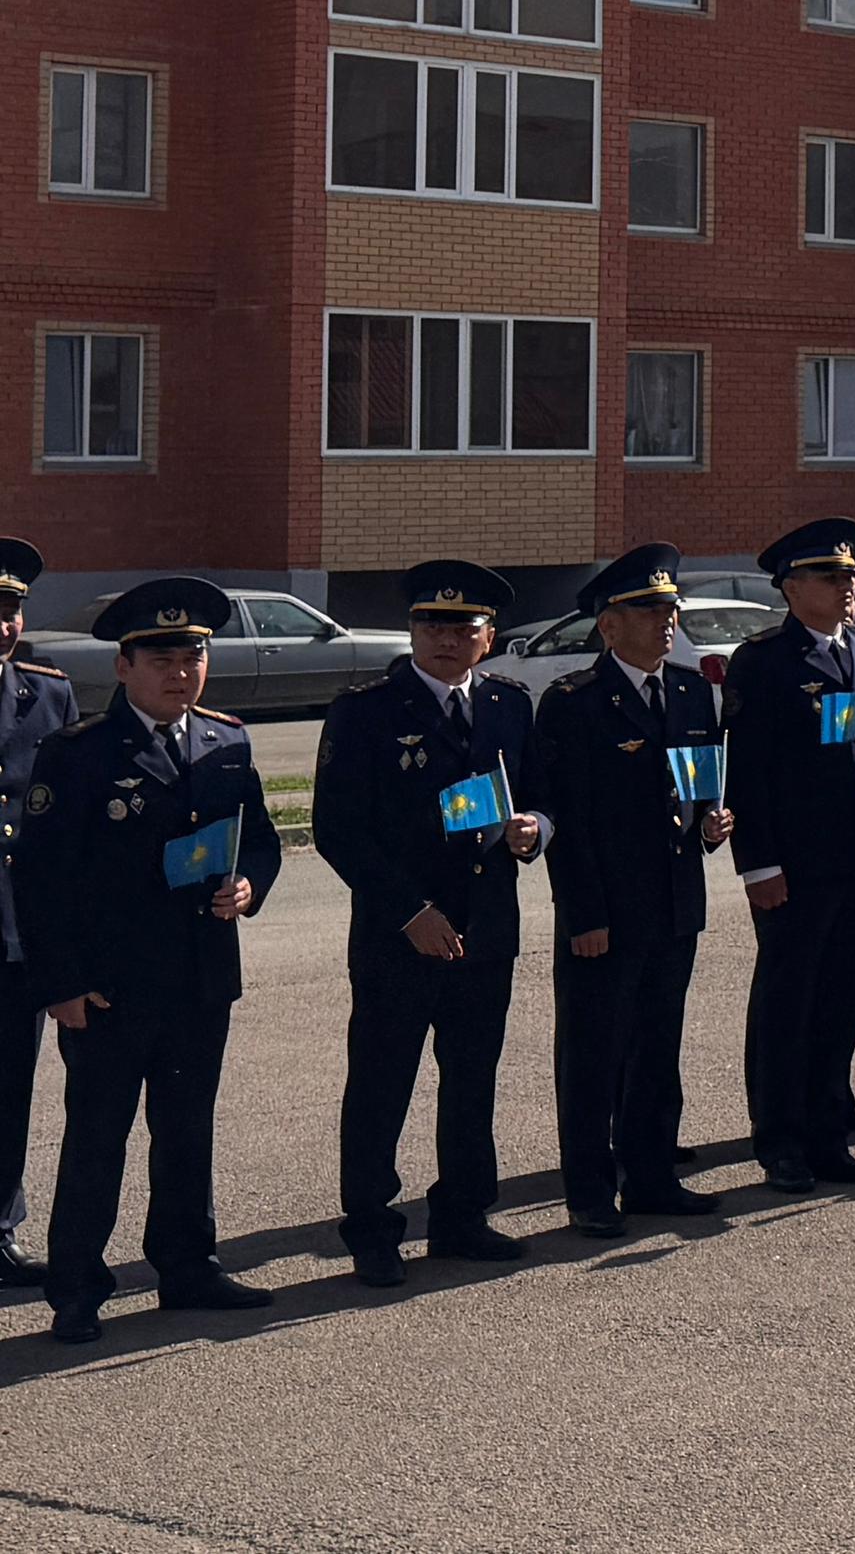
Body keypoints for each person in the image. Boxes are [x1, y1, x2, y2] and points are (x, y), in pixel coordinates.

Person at [21, 579, 283, 1343]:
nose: (180, 672)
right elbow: (40, 881)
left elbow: (260, 838)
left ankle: (187, 1266)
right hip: (109, 988)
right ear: (126, 666)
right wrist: (61, 984)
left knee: (187, 1131)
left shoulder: (226, 740)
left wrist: (248, 884)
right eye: (162, 658)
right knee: (97, 1138)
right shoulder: (79, 754)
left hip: (200, 978)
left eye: (193, 656)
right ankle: (76, 1287)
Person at [315, 559, 549, 1284]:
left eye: (462, 626)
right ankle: (374, 1230)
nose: (445, 639)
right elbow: (339, 830)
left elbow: (540, 797)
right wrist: (409, 912)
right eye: (430, 624)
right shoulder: (366, 709)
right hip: (401, 934)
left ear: (490, 636)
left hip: (485, 927)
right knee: (383, 1082)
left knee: (473, 1078)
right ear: (411, 630)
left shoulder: (510, 704)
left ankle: (462, 1216)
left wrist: (532, 830)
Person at [527, 545, 731, 1239]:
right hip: (605, 913)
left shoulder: (690, 690)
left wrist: (712, 824)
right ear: (609, 626)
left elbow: (696, 790)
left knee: (657, 1049)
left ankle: (652, 1177)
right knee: (594, 1053)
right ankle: (589, 1191)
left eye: (670, 609)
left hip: (674, 904)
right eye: (648, 610)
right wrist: (583, 913)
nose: (665, 621)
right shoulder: (575, 703)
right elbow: (568, 820)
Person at [726, 517, 855, 1192]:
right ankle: (780, 1139)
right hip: (796, 864)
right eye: (833, 576)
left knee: (842, 998)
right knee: (788, 1003)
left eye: (852, 575)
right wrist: (759, 864)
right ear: (792, 588)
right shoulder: (765, 661)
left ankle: (829, 1128)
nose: (849, 585)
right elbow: (748, 773)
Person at [0, 538, 75, 1292]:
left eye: (9, 608)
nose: (1, 623)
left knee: (9, 1086)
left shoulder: (47, 694)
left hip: (16, 931)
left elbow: (66, 826)